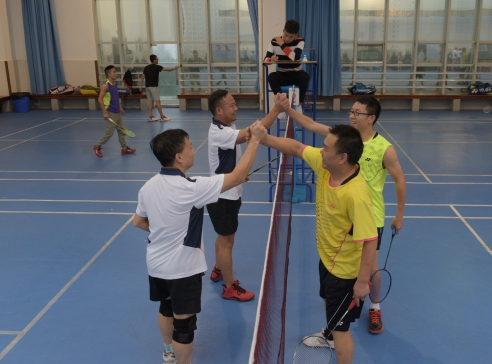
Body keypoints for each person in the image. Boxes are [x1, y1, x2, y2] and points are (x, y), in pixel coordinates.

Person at [132, 122, 268, 364]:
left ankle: (168, 352)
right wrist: (255, 140)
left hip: (156, 265)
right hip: (183, 269)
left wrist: (165, 229)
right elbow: (236, 176)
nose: (194, 150)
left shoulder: (148, 186)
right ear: (179, 156)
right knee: (184, 324)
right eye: (190, 146)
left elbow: (138, 221)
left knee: (166, 307)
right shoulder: (192, 188)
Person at [280, 95, 406, 335]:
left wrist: (399, 214)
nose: (352, 116)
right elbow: (311, 125)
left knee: (371, 268)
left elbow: (400, 179)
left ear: (371, 118)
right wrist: (288, 110)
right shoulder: (343, 139)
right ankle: (336, 316)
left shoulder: (384, 149)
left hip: (369, 216)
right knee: (338, 266)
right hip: (342, 214)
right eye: (351, 111)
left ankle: (375, 307)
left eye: (358, 113)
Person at [262, 125, 377, 364]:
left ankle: (336, 337)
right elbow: (296, 147)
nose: (321, 151)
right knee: (329, 306)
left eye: (326, 148)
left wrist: (362, 282)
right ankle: (330, 334)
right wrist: (263, 138)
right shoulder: (326, 166)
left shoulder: (357, 195)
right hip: (327, 259)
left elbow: (370, 239)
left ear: (342, 157)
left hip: (345, 273)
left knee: (342, 329)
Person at [206, 89, 289, 301]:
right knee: (227, 241)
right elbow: (253, 134)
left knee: (223, 237)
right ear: (219, 110)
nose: (236, 108)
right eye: (232, 105)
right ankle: (229, 287)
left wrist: (238, 174)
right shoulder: (220, 132)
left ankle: (218, 268)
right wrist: (276, 109)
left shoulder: (226, 127)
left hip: (226, 190)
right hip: (223, 197)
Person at [93, 65, 136, 158]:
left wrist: (120, 107)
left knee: (122, 131)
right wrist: (105, 112)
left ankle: (124, 149)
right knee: (109, 133)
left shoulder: (115, 84)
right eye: (114, 72)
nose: (116, 73)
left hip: (117, 112)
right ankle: (97, 146)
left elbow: (116, 97)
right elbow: (100, 99)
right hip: (110, 112)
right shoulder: (105, 85)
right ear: (109, 74)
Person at [264, 19, 310, 105]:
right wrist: (271, 60)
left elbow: (294, 57)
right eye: (286, 35)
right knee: (272, 77)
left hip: (296, 74)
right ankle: (281, 103)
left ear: (295, 35)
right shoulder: (274, 41)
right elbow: (266, 59)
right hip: (282, 74)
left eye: (291, 37)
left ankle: (299, 104)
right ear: (283, 31)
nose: (287, 39)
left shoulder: (300, 41)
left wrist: (282, 44)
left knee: (305, 76)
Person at [139, 54, 179, 122]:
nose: (158, 60)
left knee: (151, 101)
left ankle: (150, 116)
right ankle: (162, 117)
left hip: (147, 87)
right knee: (158, 101)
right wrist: (176, 67)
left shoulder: (146, 67)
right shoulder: (157, 67)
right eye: (157, 59)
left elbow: (142, 77)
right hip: (153, 87)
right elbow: (168, 70)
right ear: (154, 60)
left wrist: (140, 86)